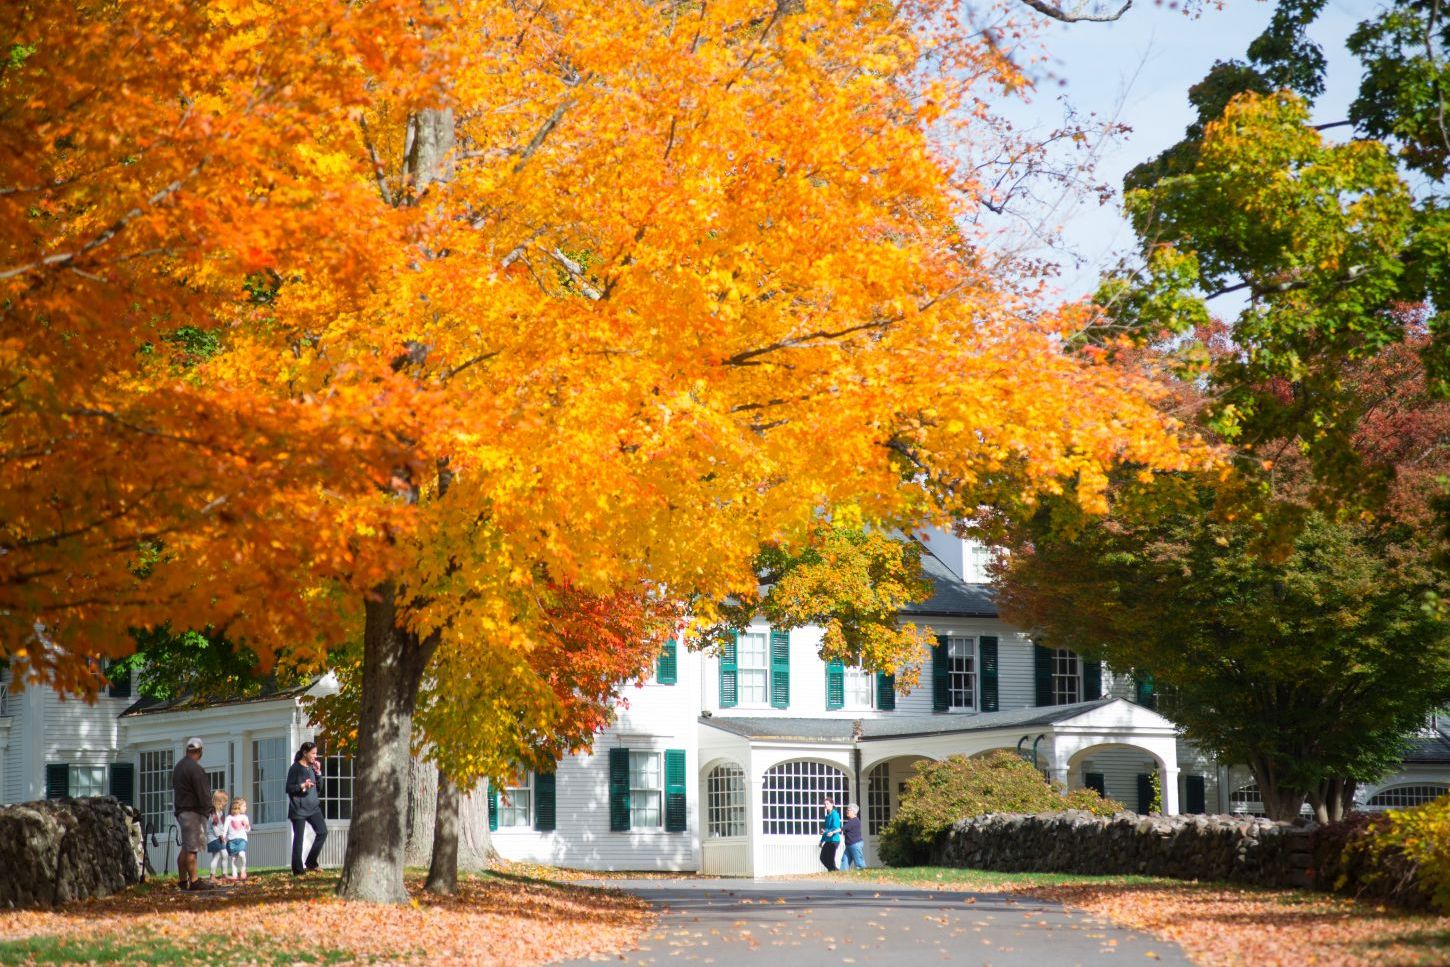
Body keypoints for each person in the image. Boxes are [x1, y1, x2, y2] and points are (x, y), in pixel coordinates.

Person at [171, 737, 214, 891]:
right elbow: (203, 792)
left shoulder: (179, 767)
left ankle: (183, 881)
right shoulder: (195, 769)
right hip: (192, 813)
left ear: (187, 750)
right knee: (192, 849)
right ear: (200, 751)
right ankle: (194, 882)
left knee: (185, 847)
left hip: (181, 811)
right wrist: (210, 809)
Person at [286, 740, 328, 875]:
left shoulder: (311, 768)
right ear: (305, 753)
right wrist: (302, 786)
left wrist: (319, 773)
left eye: (316, 753)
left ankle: (311, 862)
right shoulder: (295, 768)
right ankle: (298, 871)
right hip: (298, 810)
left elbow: (319, 789)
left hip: (313, 807)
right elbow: (288, 788)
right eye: (313, 753)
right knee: (299, 839)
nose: (315, 756)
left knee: (322, 832)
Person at [225, 796, 252, 881]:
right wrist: (223, 837)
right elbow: (225, 828)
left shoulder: (244, 817)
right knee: (233, 858)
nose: (246, 808)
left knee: (241, 854)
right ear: (238, 807)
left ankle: (243, 870)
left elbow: (248, 829)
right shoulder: (229, 818)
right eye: (244, 806)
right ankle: (234, 874)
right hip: (231, 840)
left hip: (241, 839)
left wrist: (246, 825)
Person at [206, 789, 230, 881]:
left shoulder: (220, 812)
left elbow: (220, 825)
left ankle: (222, 874)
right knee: (220, 855)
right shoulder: (213, 813)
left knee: (222, 855)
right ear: (220, 801)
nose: (226, 803)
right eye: (225, 801)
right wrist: (220, 835)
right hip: (213, 838)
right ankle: (213, 876)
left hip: (217, 837)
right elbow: (215, 826)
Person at [818, 795, 842, 871]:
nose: (826, 805)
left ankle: (833, 871)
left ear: (832, 804)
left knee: (830, 859)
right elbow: (826, 830)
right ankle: (834, 871)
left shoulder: (835, 814)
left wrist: (827, 831)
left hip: (834, 840)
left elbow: (836, 827)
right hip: (828, 840)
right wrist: (822, 841)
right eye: (825, 804)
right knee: (823, 858)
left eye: (827, 803)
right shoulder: (827, 816)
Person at [841, 803, 867, 870]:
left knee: (859, 863)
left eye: (849, 810)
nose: (847, 811)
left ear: (854, 812)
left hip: (855, 844)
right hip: (850, 845)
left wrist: (832, 832)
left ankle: (864, 875)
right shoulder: (851, 821)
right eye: (847, 809)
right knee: (844, 861)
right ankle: (842, 875)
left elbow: (842, 829)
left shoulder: (854, 821)